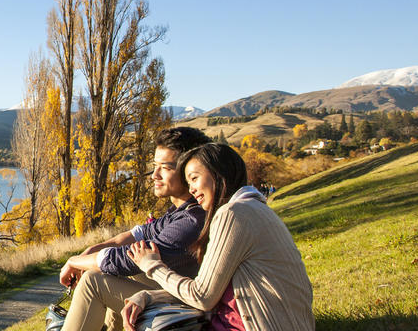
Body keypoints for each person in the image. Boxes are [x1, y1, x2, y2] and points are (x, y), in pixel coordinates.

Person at [123, 143, 314, 331]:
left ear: (218, 174)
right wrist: (147, 296)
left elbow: (201, 297)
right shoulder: (256, 208)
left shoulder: (233, 213)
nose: (191, 189)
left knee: (149, 323)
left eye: (195, 178)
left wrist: (152, 266)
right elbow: (210, 290)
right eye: (189, 183)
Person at [59, 127, 212, 331]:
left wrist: (73, 261)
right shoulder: (180, 211)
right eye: (154, 166)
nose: (154, 175)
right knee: (107, 271)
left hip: (189, 310)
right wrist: (90, 252)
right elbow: (134, 235)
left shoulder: (191, 221)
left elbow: (123, 260)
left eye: (165, 168)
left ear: (189, 170)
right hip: (177, 299)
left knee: (93, 282)